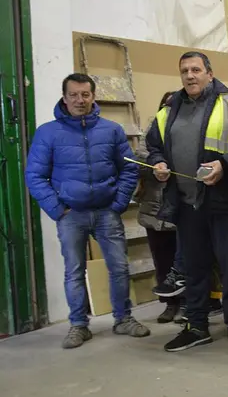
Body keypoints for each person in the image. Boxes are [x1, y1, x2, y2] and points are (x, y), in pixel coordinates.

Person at [24, 73, 148, 348]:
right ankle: (78, 325)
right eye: (74, 95)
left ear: (93, 96)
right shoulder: (48, 133)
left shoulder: (112, 130)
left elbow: (128, 167)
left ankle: (123, 318)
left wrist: (118, 204)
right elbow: (34, 175)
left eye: (85, 94)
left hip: (107, 212)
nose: (79, 100)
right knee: (74, 271)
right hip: (71, 215)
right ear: (64, 97)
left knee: (118, 267)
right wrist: (58, 209)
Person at [145, 51, 228, 357]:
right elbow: (153, 146)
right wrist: (157, 163)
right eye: (184, 71)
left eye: (196, 70)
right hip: (186, 203)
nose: (190, 76)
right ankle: (196, 327)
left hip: (224, 205)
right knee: (194, 270)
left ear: (210, 73)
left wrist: (226, 164)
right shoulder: (169, 111)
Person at [136, 91, 183, 324]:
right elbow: (140, 155)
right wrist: (155, 164)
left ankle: (192, 303)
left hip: (181, 207)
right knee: (162, 259)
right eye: (166, 105)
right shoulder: (152, 130)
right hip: (154, 208)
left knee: (185, 260)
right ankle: (169, 305)